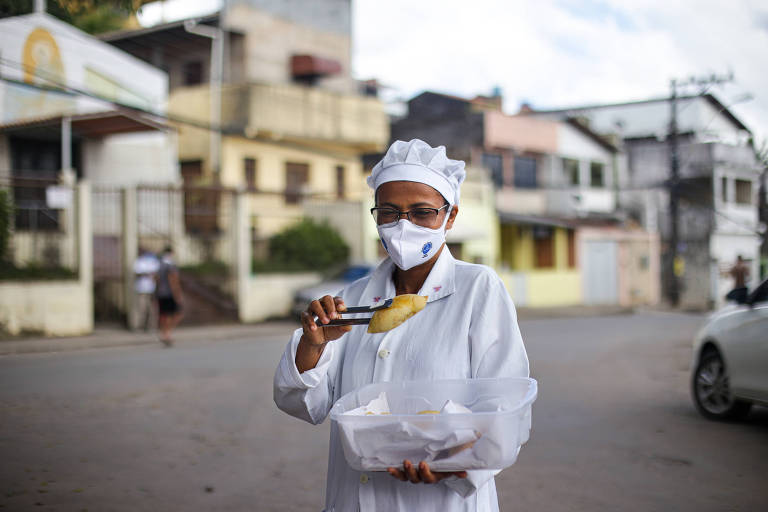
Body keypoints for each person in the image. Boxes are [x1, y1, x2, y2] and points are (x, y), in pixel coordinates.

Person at [273, 139, 529, 512]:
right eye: (389, 212)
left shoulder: (478, 289)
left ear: (450, 216)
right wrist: (313, 345)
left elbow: (505, 403)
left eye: (422, 212)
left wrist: (457, 463)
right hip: (353, 498)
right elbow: (303, 404)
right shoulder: (351, 299)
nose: (403, 225)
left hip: (440, 499)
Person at [155, 246, 184, 346]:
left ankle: (164, 334)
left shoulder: (159, 265)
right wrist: (177, 294)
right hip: (169, 293)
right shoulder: (171, 265)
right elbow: (173, 280)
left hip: (160, 293)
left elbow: (156, 279)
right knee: (175, 314)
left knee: (164, 314)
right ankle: (167, 334)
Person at [131, 247, 159, 331]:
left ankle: (150, 326)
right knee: (141, 308)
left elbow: (156, 274)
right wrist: (146, 274)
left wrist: (152, 275)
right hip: (141, 289)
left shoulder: (153, 261)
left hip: (151, 289)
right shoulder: (140, 261)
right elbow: (137, 273)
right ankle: (139, 326)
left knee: (151, 308)